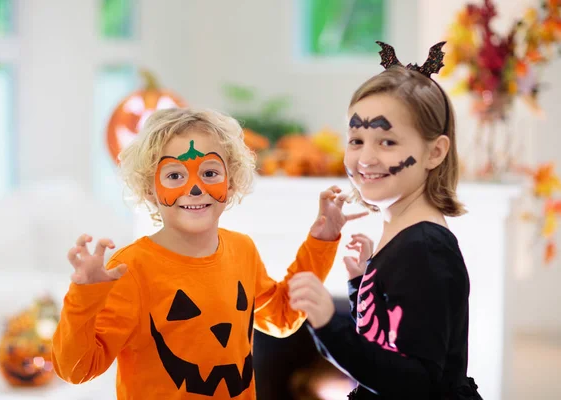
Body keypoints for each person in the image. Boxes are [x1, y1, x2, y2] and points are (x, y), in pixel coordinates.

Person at [51, 107, 368, 400]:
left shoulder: (241, 250)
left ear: (230, 182)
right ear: (149, 187)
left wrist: (323, 240)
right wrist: (85, 297)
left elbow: (283, 316)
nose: (195, 188)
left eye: (210, 173)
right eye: (175, 175)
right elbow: (77, 370)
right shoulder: (132, 269)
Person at [288, 41, 483, 400]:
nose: (366, 158)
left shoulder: (425, 248)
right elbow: (390, 340)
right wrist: (363, 284)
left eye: (387, 141)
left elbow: (416, 383)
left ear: (434, 152)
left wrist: (331, 325)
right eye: (356, 139)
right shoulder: (406, 236)